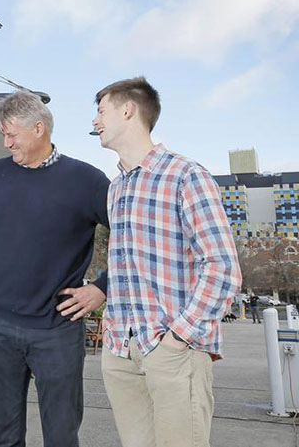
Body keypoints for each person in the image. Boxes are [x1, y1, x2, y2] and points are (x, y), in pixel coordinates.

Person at [92, 77, 241, 447]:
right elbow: (126, 266)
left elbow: (222, 267)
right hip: (122, 353)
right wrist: (114, 336)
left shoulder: (185, 175)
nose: (95, 121)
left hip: (173, 353)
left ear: (127, 110)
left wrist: (177, 338)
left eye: (101, 110)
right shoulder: (117, 187)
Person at [0, 91, 110, 447]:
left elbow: (134, 236)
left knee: (61, 436)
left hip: (58, 329)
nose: (6, 142)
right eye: (3, 135)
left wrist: (103, 287)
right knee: (3, 437)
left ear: (39, 128)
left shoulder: (88, 180)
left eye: (11, 134)